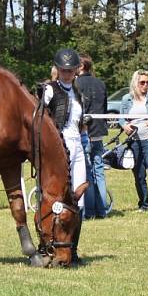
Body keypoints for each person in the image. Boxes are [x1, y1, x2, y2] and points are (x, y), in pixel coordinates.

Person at [42, 48, 89, 262]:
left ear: (76, 71)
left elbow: (80, 124)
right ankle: (47, 246)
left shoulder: (78, 93)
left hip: (78, 145)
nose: (67, 73)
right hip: (59, 146)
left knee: (79, 200)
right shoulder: (50, 90)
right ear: (57, 70)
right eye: (63, 70)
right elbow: (41, 118)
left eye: (70, 70)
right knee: (57, 198)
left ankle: (73, 249)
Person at [120, 69, 148, 215]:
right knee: (138, 174)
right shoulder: (126, 99)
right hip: (134, 140)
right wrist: (124, 126)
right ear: (135, 83)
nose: (145, 85)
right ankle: (143, 204)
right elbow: (122, 118)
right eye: (142, 82)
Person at [76, 53, 109, 219]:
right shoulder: (101, 83)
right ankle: (102, 210)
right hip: (99, 132)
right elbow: (104, 108)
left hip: (85, 132)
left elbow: (81, 109)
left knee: (87, 173)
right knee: (99, 171)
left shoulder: (76, 84)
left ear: (81, 66)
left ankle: (89, 211)